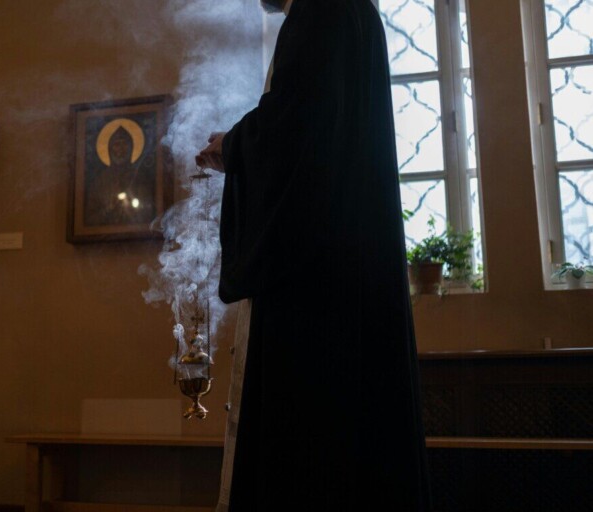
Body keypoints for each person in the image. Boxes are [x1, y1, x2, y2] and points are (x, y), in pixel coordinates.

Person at [195, 0, 432, 509]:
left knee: (312, 453)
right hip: (354, 266)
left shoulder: (319, 13)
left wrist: (231, 147)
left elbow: (294, 133)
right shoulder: (352, 11)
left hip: (318, 289)